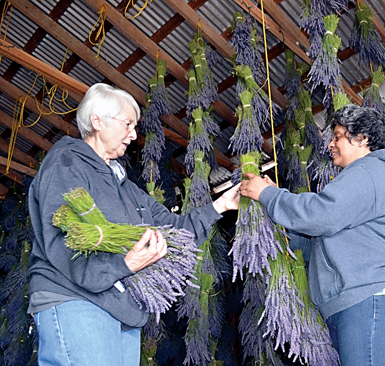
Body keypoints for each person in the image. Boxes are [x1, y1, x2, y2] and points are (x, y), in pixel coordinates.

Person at [27, 83, 240, 366]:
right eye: (127, 123)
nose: (134, 134)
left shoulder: (126, 188)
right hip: (74, 299)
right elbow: (64, 240)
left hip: (120, 308)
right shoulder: (66, 163)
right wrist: (124, 265)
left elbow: (175, 232)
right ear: (97, 121)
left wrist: (221, 205)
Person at [240, 104, 385, 366]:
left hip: (367, 303)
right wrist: (280, 228)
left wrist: (269, 195)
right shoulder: (362, 179)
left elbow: (321, 215)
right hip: (353, 305)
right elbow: (318, 244)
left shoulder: (369, 172)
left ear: (362, 138)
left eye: (338, 136)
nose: (330, 144)